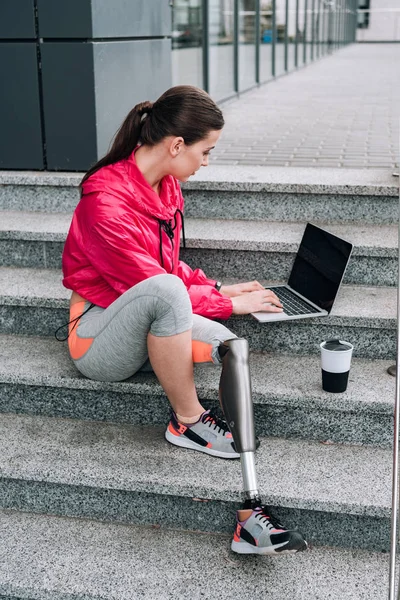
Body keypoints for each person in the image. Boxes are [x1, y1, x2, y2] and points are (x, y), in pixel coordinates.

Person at [61, 85, 307, 555]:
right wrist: (222, 301)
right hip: (95, 336)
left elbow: (168, 269)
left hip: (148, 310)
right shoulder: (104, 204)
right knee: (191, 303)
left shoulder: (165, 185)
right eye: (206, 151)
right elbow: (156, 283)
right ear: (177, 145)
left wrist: (219, 290)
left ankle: (250, 515)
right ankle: (188, 420)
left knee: (233, 347)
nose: (206, 162)